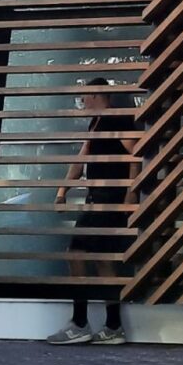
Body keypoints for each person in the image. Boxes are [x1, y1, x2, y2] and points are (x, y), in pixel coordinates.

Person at [47, 81, 141, 345]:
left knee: (76, 253)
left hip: (108, 200)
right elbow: (81, 158)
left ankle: (79, 323)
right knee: (103, 261)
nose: (81, 101)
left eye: (83, 96)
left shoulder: (116, 121)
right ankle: (113, 327)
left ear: (96, 95)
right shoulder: (96, 123)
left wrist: (129, 195)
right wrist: (62, 191)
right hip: (96, 199)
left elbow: (136, 155)